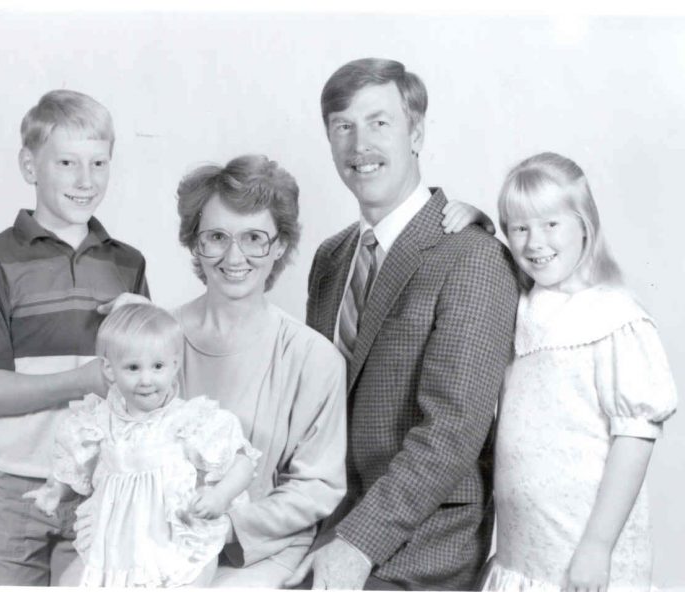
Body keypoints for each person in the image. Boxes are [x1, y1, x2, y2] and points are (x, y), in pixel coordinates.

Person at [289, 58, 520, 590]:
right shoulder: (331, 258)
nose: (358, 144)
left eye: (379, 122)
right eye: (342, 127)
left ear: (415, 132)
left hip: (424, 538)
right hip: (330, 520)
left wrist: (358, 543)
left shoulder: (472, 257)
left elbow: (452, 431)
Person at [92, 154, 348, 588]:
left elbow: (317, 485)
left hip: (257, 553)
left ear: (280, 245)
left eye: (254, 237)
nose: (234, 256)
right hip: (152, 543)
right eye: (216, 237)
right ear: (195, 243)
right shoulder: (154, 343)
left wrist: (222, 526)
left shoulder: (313, 357)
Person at [0, 89, 150, 585]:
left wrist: (139, 334)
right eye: (67, 163)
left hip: (101, 487)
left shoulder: (127, 263)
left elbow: (145, 384)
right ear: (30, 167)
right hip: (9, 491)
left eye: (99, 163)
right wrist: (81, 380)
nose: (86, 180)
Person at [476, 152, 677, 591]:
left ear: (584, 223)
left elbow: (634, 439)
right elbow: (489, 258)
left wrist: (598, 545)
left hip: (581, 550)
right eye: (520, 227)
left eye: (551, 224)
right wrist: (477, 221)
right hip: (524, 551)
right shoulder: (525, 308)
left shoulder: (613, 315)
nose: (535, 242)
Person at [24, 303, 259, 587]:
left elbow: (242, 461)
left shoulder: (187, 420)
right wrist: (55, 491)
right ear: (110, 370)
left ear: (174, 365)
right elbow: (74, 463)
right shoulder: (99, 421)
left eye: (157, 366)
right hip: (115, 543)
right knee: (72, 583)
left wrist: (220, 496)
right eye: (133, 368)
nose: (146, 379)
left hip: (174, 538)